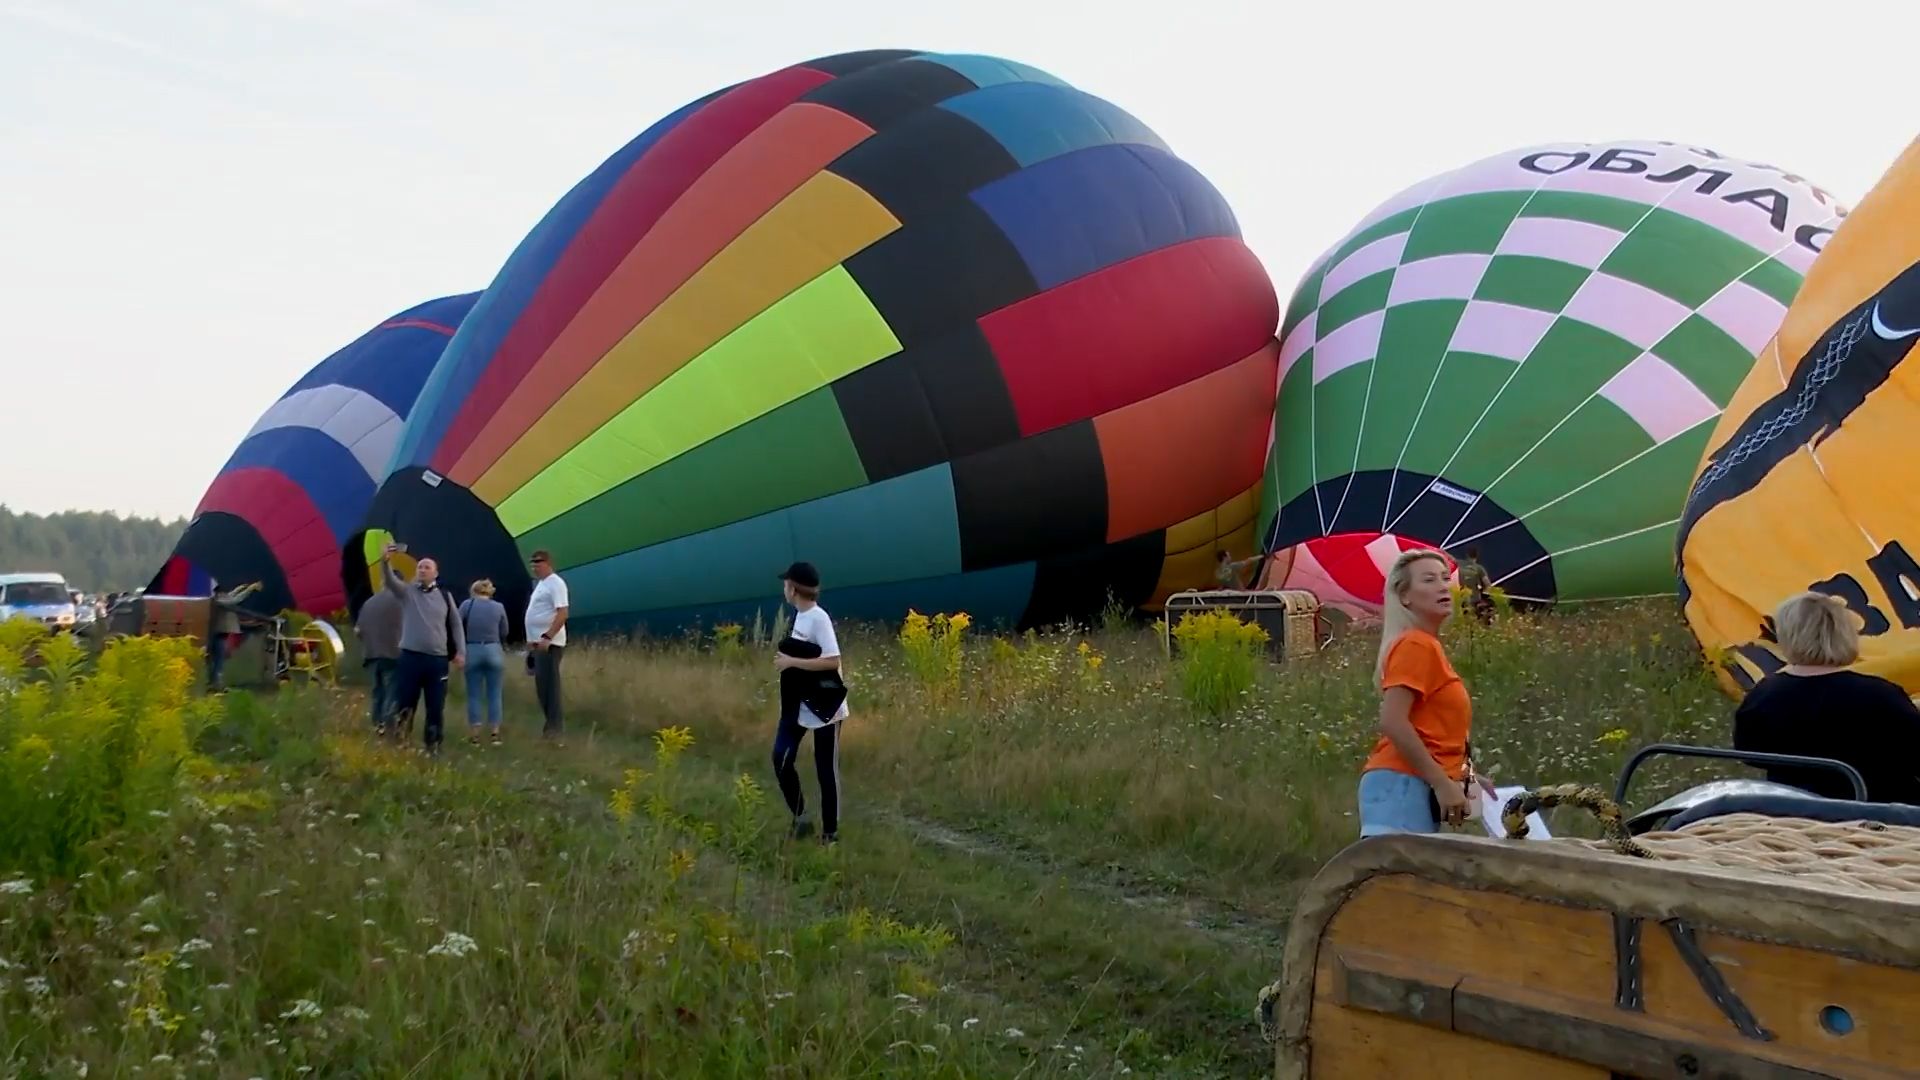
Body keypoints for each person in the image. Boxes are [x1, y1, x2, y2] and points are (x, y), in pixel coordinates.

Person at [1733, 592, 1920, 804]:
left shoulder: (1762, 697)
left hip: (1793, 816)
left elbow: (1750, 755)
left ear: (1786, 636)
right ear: (1844, 634)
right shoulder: (1880, 695)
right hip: (1884, 819)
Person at [1357, 549, 1475, 836]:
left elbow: (1430, 729)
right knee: (1397, 879)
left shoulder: (1426, 646)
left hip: (1410, 783)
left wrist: (1463, 774)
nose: (1443, 586)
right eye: (1429, 580)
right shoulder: (1416, 645)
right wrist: (1441, 783)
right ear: (1405, 596)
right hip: (1401, 784)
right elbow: (1393, 721)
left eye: (1445, 579)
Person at [771, 561, 849, 846]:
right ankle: (801, 818)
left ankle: (830, 835)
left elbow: (832, 660)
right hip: (799, 705)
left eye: (786, 584)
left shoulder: (818, 618)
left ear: (793, 589)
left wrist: (792, 662)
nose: (783, 588)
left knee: (824, 768)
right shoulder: (799, 617)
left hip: (826, 706)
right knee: (781, 758)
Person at [380, 544, 465, 756]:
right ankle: (401, 742)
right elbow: (390, 581)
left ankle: (433, 745)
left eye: (427, 567)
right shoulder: (408, 592)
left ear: (435, 573)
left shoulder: (446, 597)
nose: (422, 569)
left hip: (437, 660)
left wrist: (461, 652)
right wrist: (385, 561)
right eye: (419, 567)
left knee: (435, 705)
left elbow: (456, 624)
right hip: (410, 658)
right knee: (406, 702)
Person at [524, 550, 570, 743]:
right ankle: (549, 726)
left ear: (549, 563)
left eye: (539, 562)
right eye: (533, 563)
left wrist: (548, 636)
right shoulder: (541, 585)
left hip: (549, 644)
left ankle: (555, 730)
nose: (535, 566)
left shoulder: (556, 583)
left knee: (550, 687)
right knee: (542, 687)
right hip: (537, 643)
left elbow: (562, 613)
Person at [459, 579, 510, 746]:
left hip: (472, 648)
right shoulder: (499, 607)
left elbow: (457, 625)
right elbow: (505, 631)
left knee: (474, 694)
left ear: (473, 590)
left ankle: (475, 735)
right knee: (494, 693)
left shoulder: (467, 605)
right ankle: (495, 733)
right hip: (493, 649)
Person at [356, 584, 404, 733]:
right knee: (392, 691)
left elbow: (358, 630)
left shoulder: (369, 602)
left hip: (372, 654)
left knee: (378, 691)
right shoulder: (401, 601)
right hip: (393, 653)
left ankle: (377, 724)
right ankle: (388, 726)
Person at [1455, 547, 1494, 624]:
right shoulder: (1479, 568)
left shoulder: (1459, 564)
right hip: (1475, 599)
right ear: (1477, 556)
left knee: (1463, 621)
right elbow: (1488, 585)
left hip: (1460, 599)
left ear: (1467, 555)